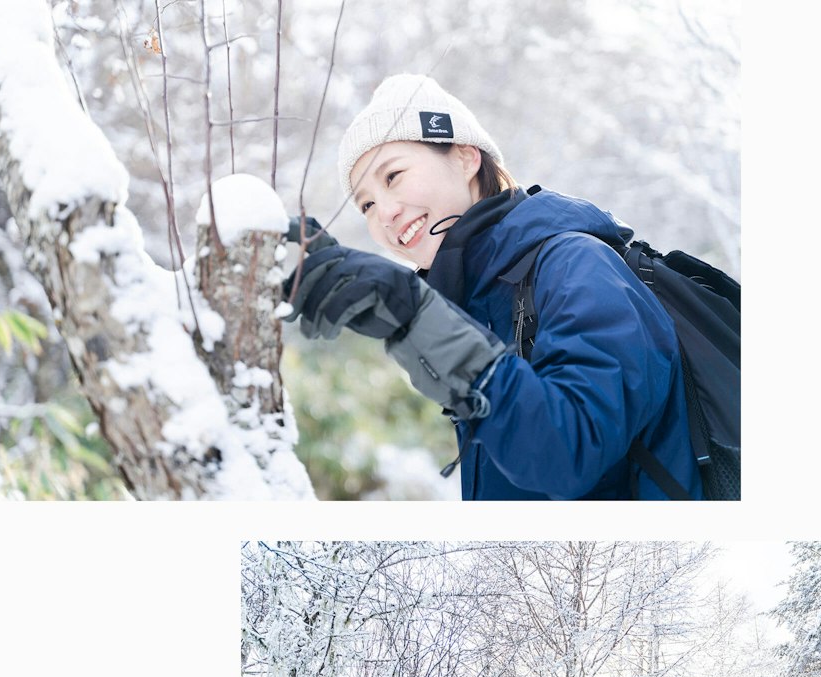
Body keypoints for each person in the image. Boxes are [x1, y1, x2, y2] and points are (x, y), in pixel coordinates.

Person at [283, 74, 701, 501]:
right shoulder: (476, 302)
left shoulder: (576, 265)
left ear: (466, 159)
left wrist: (413, 315)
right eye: (366, 204)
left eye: (393, 177)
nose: (384, 213)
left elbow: (570, 453)